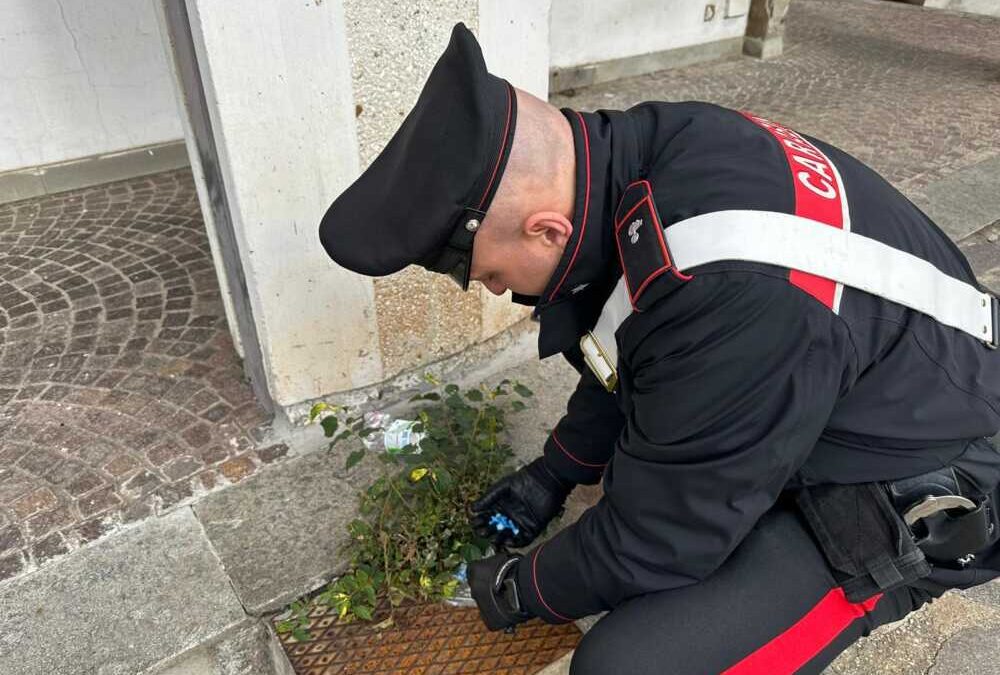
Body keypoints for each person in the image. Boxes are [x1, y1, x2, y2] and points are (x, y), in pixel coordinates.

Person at [318, 23, 1000, 674]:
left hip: (931, 470)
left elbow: (663, 538)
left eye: (487, 274)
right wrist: (555, 473)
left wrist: (522, 586)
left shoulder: (730, 298)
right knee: (639, 485)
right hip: (868, 370)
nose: (491, 290)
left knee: (630, 661)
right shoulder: (649, 152)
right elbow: (634, 332)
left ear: (546, 230)